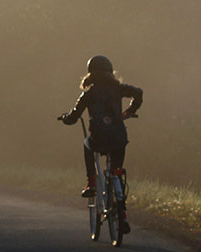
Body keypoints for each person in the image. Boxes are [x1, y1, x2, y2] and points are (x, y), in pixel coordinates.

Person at [58, 55, 143, 233]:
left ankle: (91, 183)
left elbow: (73, 117)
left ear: (91, 73)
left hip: (98, 139)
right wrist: (129, 111)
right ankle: (122, 215)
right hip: (119, 138)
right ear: (110, 71)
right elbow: (138, 92)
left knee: (87, 145)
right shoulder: (118, 88)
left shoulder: (88, 94)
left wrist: (65, 117)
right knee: (116, 173)